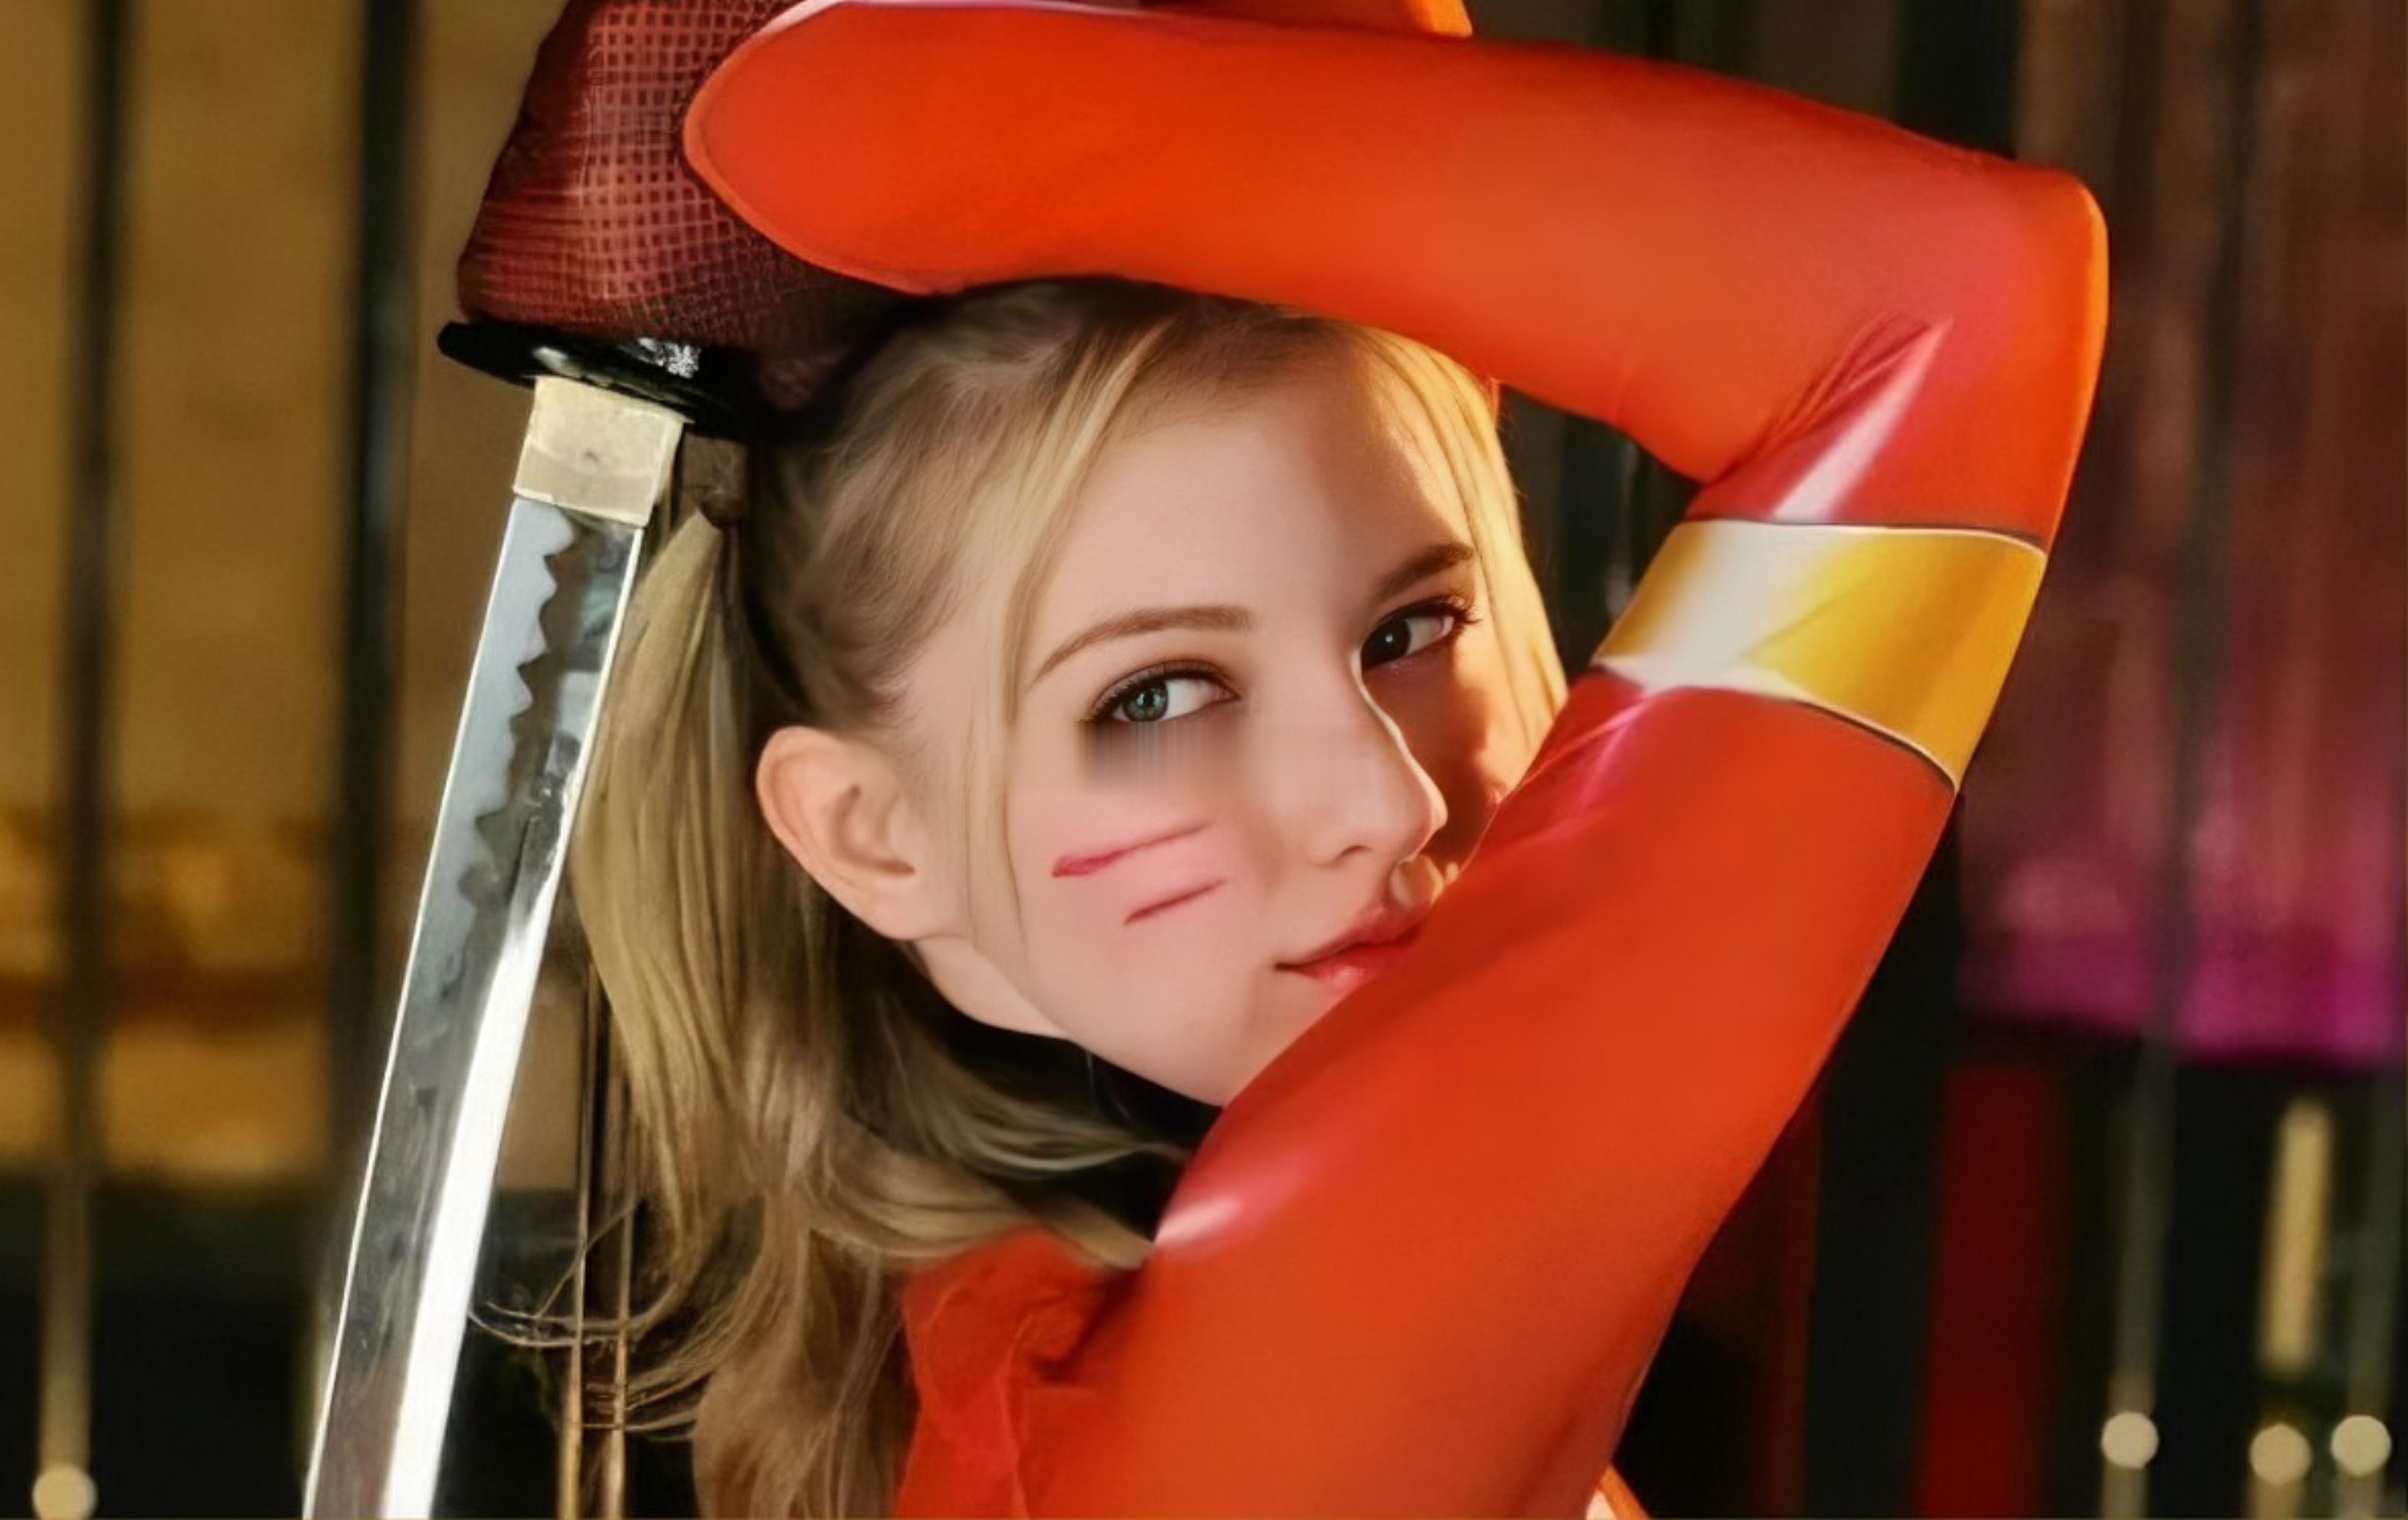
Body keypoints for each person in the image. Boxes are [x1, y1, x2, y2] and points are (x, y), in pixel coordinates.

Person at [494, 0, 2110, 1512]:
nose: (1388, 800)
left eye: (1414, 628)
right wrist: (828, 120)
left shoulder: (1078, 1374)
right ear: (874, 835)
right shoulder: (1274, 1378)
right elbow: (1946, 305)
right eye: (1157, 697)